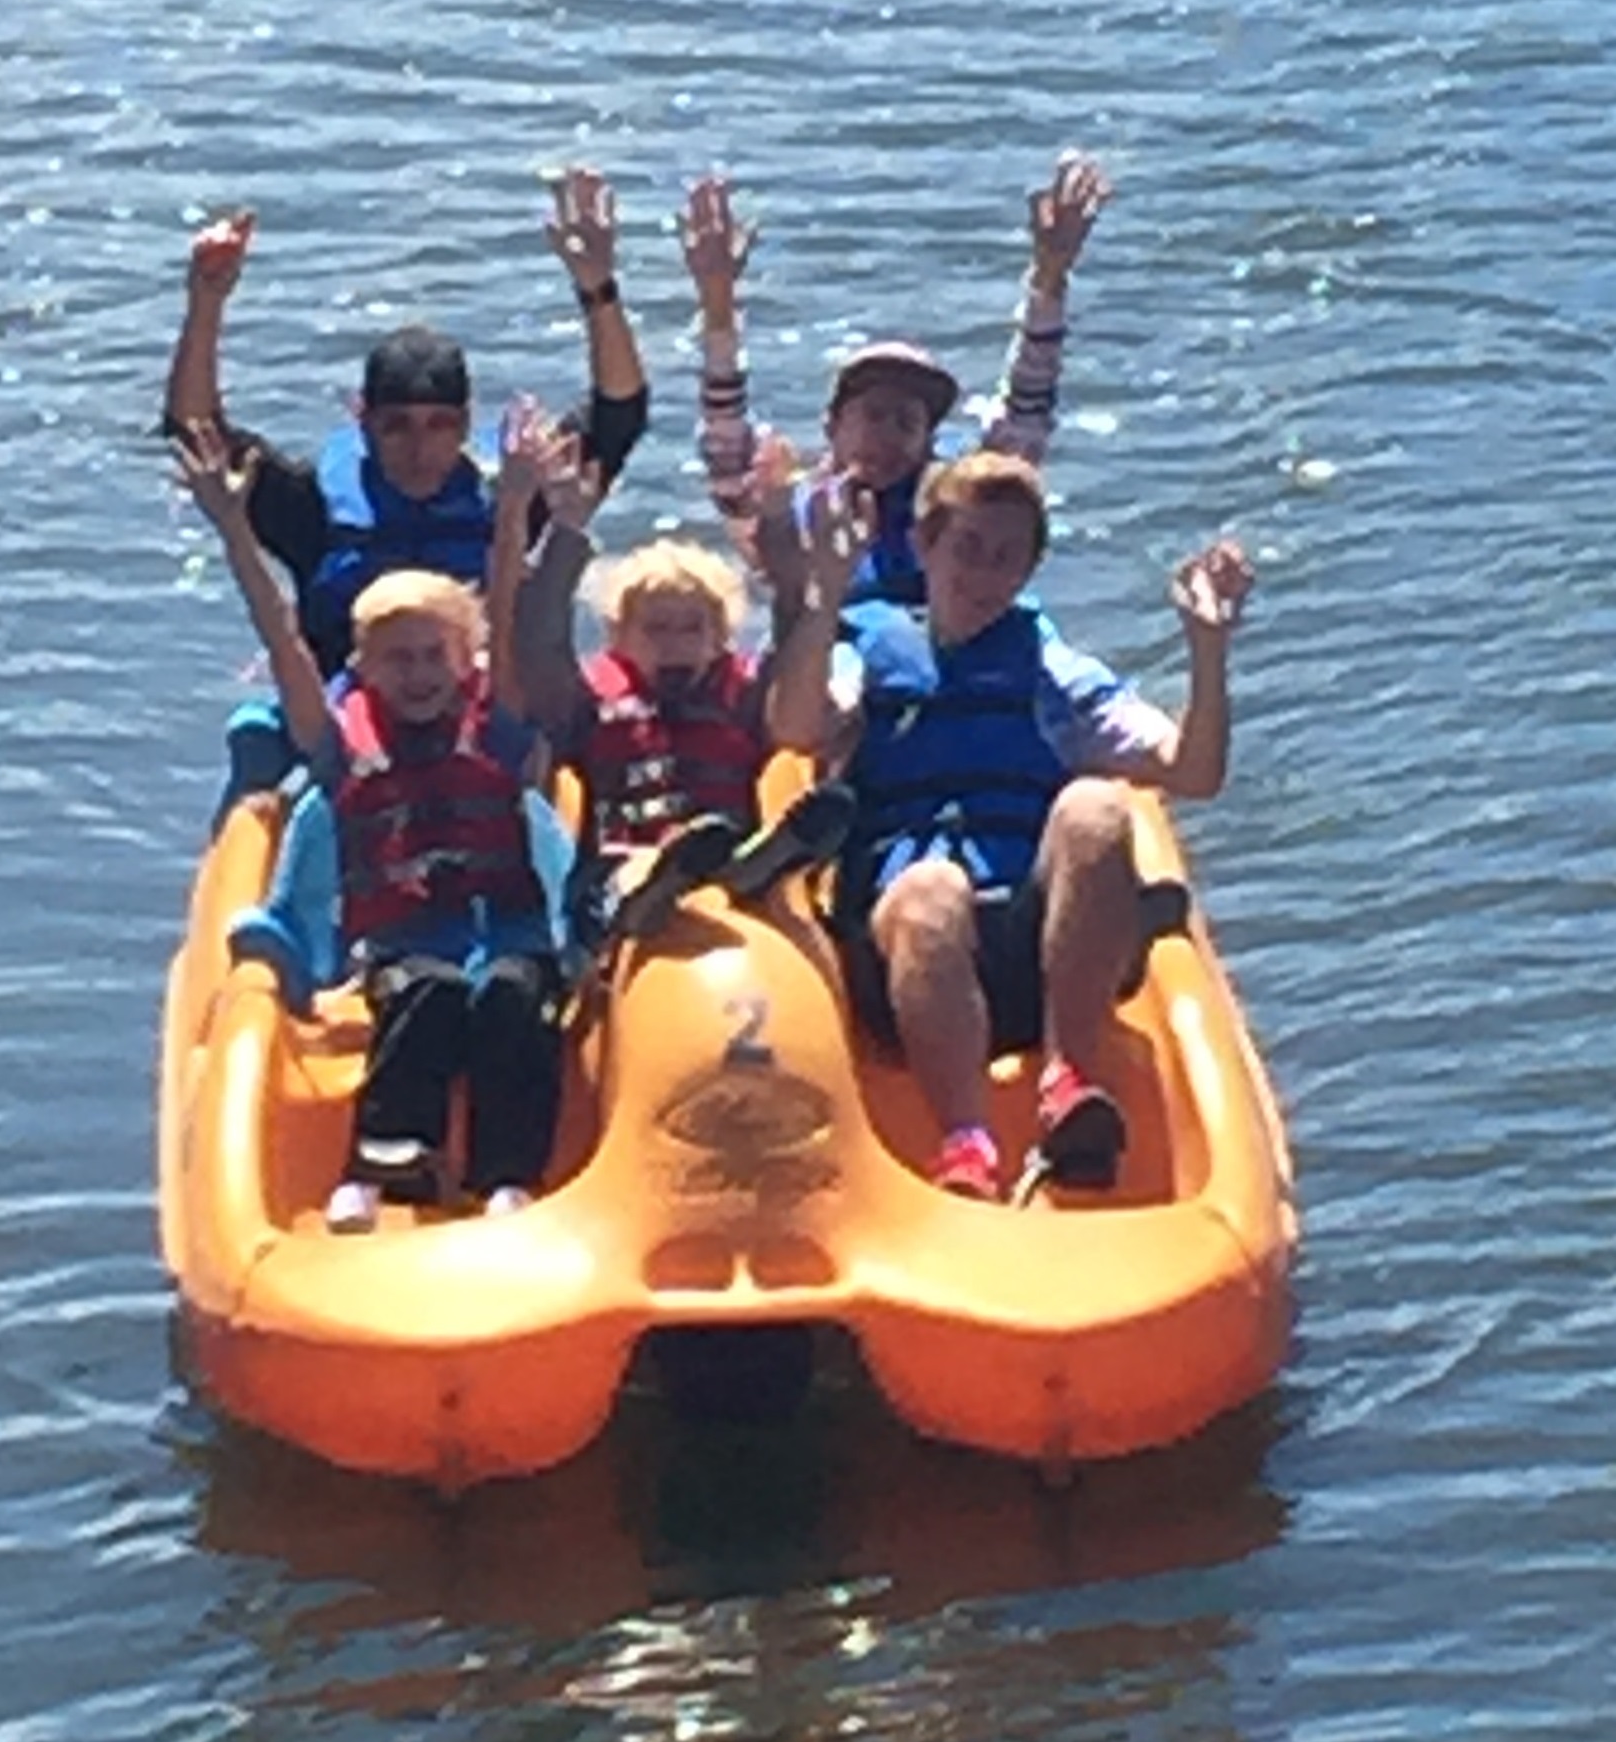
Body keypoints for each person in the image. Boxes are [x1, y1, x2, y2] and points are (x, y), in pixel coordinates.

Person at [768, 448, 1254, 1201]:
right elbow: (796, 727)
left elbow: (1192, 772)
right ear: (925, 545)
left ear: (1027, 572)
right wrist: (822, 595)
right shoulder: (865, 649)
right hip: (912, 955)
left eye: (1005, 558)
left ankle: (1070, 1082)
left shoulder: (1050, 670)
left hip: (1036, 952)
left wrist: (1207, 653)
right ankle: (966, 1143)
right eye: (966, 548)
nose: (982, 575)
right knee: (932, 887)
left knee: (1095, 807)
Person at [177, 419, 564, 1236]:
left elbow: (505, 596)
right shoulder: (338, 741)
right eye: (397, 658)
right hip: (404, 937)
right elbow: (280, 634)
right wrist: (232, 526)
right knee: (425, 989)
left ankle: (509, 1179)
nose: (417, 675)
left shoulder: (495, 724)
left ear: (465, 661)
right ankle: (378, 1162)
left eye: (433, 656)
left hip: (507, 929)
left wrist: (518, 505)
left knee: (509, 996)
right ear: (364, 662)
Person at [165, 168, 650, 809]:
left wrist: (598, 290)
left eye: (439, 426)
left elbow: (620, 414)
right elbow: (194, 430)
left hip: (483, 715)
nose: (419, 449)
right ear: (362, 419)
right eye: (396, 428)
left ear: (466, 423)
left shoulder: (510, 493)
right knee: (256, 738)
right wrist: (206, 302)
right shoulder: (312, 505)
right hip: (346, 721)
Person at [680, 152, 1109, 619]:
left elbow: (1028, 409)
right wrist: (718, 306)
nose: (886, 437)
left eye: (906, 422)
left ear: (928, 441)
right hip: (824, 678)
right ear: (832, 427)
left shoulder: (958, 501)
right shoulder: (784, 507)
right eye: (873, 415)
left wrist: (1050, 279)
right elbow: (724, 433)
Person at [502, 401, 862, 945]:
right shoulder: (590, 701)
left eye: (691, 629)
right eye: (655, 629)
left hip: (724, 851)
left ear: (721, 637)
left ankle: (758, 866)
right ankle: (656, 891)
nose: (674, 644)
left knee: (735, 841)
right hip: (623, 867)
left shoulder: (741, 694)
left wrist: (780, 520)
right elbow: (540, 644)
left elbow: (793, 644)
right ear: (619, 636)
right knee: (627, 875)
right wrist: (565, 529)